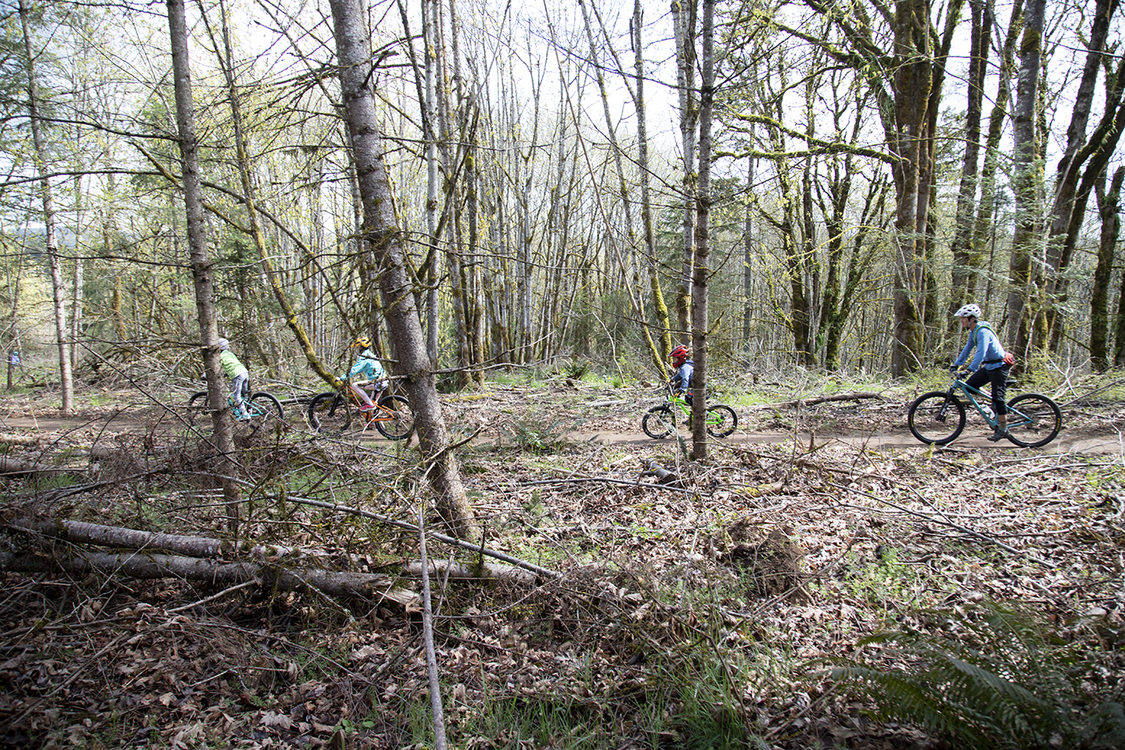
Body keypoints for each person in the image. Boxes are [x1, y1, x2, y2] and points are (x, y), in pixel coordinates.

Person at [951, 304, 1014, 441]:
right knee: (969, 387)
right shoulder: (974, 332)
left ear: (972, 319)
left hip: (999, 366)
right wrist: (956, 364)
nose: (962, 322)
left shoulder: (982, 332)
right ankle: (991, 408)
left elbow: (981, 352)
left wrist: (970, 369)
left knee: (998, 399)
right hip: (990, 366)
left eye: (963, 319)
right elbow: (967, 349)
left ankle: (1003, 429)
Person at [343, 336, 387, 413]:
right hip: (383, 381)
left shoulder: (364, 357)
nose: (357, 350)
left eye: (358, 348)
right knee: (371, 403)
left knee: (354, 385)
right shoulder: (370, 354)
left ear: (361, 347)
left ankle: (370, 405)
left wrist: (342, 378)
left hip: (378, 383)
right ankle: (372, 424)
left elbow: (355, 369)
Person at [217, 337, 250, 420]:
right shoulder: (230, 354)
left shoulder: (219, 357)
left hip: (237, 375)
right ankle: (249, 410)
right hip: (244, 373)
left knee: (236, 396)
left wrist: (205, 375)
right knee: (244, 396)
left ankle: (244, 414)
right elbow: (231, 365)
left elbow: (215, 368)